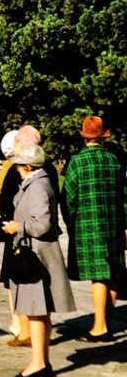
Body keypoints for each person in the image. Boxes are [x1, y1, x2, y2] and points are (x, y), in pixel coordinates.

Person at [1, 144, 75, 377]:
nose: (16, 170)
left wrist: (17, 227)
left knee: (36, 311)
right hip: (37, 253)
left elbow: (41, 224)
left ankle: (38, 363)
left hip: (37, 255)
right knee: (38, 311)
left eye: (19, 166)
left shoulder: (37, 187)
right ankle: (41, 361)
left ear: (28, 166)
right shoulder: (37, 183)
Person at [63, 115, 127, 341]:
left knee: (99, 276)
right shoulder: (114, 161)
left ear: (84, 137)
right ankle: (106, 320)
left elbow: (69, 198)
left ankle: (99, 327)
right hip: (115, 225)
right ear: (102, 137)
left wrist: (72, 224)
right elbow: (125, 197)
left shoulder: (77, 162)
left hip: (89, 226)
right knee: (112, 274)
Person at [0, 129, 20, 338]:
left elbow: (2, 200)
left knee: (14, 277)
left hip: (15, 230)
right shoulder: (46, 166)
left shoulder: (10, 168)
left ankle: (18, 322)